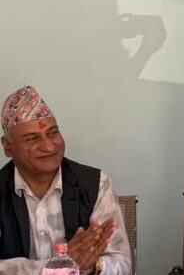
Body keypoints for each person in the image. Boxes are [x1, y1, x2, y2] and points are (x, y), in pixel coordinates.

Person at [0, 85, 131, 274]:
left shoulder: (95, 184)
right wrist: (52, 268)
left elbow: (122, 264)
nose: (48, 146)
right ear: (8, 147)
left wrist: (93, 266)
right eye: (32, 138)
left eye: (53, 133)